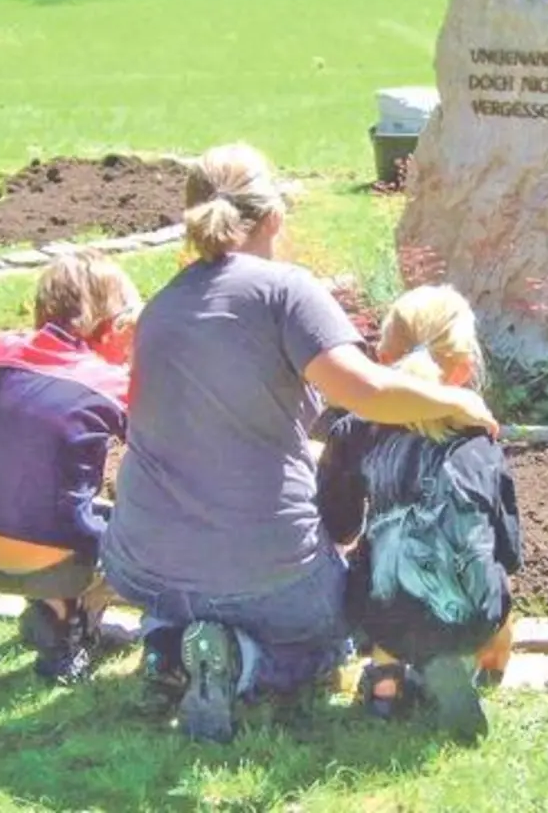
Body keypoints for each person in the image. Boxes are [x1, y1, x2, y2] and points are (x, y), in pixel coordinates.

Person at [99, 143, 498, 743]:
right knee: (334, 635)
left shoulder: (161, 307)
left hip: (142, 561)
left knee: (192, 589)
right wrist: (455, 401)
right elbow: (365, 392)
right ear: (275, 218)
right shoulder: (285, 292)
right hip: (266, 570)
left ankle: (171, 645)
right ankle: (247, 662)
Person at [316, 285, 522, 742]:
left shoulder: (357, 432)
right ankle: (475, 662)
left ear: (384, 359)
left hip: (385, 608)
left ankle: (385, 682)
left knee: (384, 561)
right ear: (465, 368)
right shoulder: (479, 440)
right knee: (484, 574)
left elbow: (339, 524)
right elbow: (507, 551)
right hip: (472, 609)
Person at [0, 249, 141, 684]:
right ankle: (72, 626)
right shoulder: (109, 382)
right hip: (62, 553)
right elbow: (160, 452)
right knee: (149, 521)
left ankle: (49, 605)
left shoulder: (2, 353)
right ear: (112, 324)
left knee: (27, 480)